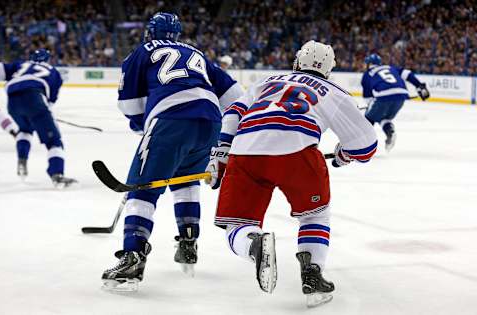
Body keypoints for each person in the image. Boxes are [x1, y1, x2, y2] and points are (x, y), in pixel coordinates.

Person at [205, 41, 377, 307]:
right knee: (315, 214)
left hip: (246, 150)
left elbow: (233, 112)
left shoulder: (268, 80)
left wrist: (222, 152)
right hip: (299, 152)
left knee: (237, 225)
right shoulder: (335, 91)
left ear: (297, 61)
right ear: (329, 69)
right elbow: (365, 146)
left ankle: (253, 245)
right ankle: (312, 275)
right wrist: (344, 155)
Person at [101, 12, 243, 291]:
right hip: (211, 123)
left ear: (149, 32)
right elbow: (237, 97)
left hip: (171, 120)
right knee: (187, 181)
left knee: (141, 190)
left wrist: (143, 124)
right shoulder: (198, 54)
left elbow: (129, 106)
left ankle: (132, 256)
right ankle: (188, 242)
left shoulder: (141, 52)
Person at [0, 49, 76, 187]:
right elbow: (50, 102)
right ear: (48, 59)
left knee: (25, 129)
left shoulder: (21, 64)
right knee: (54, 141)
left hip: (12, 100)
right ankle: (57, 174)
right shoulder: (54, 72)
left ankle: (22, 160)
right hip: (34, 98)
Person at [361, 53, 430, 151]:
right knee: (384, 118)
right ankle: (390, 132)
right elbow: (407, 74)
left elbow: (368, 98)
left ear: (370, 64)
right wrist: (419, 86)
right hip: (401, 96)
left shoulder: (367, 74)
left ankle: (364, 146)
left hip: (383, 96)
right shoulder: (391, 68)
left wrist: (370, 107)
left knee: (368, 119)